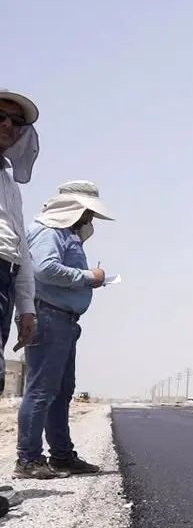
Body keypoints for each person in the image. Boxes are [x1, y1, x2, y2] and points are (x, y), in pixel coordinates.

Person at [14, 180, 114, 479]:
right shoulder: (49, 231)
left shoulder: (64, 233)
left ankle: (61, 456)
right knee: (41, 390)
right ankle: (28, 459)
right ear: (75, 208)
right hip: (48, 316)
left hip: (63, 319)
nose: (90, 218)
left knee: (61, 391)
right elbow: (45, 269)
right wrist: (89, 276)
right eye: (88, 212)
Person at [0, 88, 39, 395]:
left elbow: (20, 250)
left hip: (6, 282)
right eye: (0, 116)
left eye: (15, 121)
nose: (7, 125)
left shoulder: (10, 186)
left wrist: (26, 307)